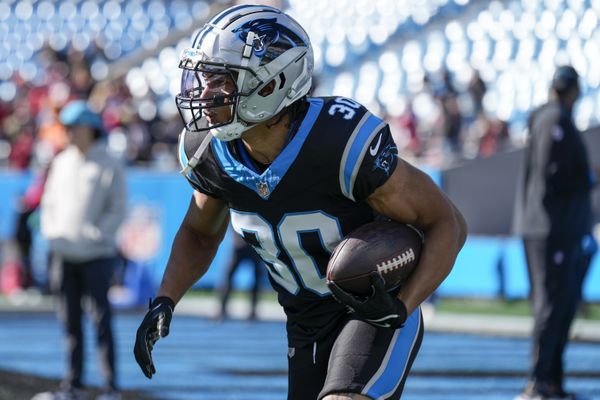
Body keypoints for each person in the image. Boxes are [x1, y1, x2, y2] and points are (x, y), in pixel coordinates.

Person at [133, 5, 466, 400]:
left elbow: (448, 223)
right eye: (203, 79)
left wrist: (402, 307)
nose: (203, 93)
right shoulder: (208, 150)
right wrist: (166, 300)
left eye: (220, 81)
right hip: (304, 322)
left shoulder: (339, 142)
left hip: (371, 309)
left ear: (271, 85)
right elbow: (199, 234)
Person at [514, 65, 598, 400]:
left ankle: (552, 382)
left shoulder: (552, 118)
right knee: (551, 306)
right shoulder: (553, 120)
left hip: (558, 228)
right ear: (574, 90)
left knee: (562, 305)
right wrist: (589, 177)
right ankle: (538, 382)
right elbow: (554, 172)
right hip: (550, 229)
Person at [37, 100, 127, 400]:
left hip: (97, 256)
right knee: (69, 324)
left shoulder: (109, 163)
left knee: (102, 322)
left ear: (89, 128)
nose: (68, 133)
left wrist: (97, 234)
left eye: (73, 127)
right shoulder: (61, 161)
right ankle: (72, 384)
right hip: (63, 254)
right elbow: (47, 203)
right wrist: (52, 232)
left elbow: (117, 208)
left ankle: (110, 386)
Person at [217, 229, 264, 321]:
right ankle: (222, 310)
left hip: (255, 245)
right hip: (240, 244)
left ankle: (253, 312)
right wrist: (236, 237)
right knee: (229, 276)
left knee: (257, 277)